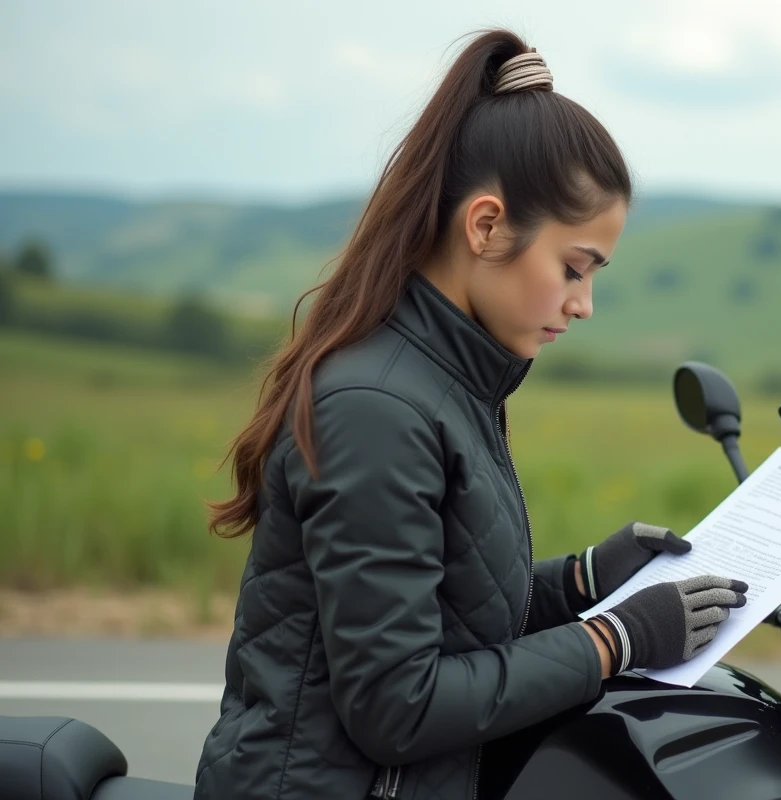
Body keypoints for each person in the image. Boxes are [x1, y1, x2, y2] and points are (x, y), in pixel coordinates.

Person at [193, 28, 748, 800]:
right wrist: (613, 640)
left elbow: (454, 615)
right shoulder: (378, 410)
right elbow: (399, 705)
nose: (584, 305)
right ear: (486, 227)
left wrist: (589, 579)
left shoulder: (450, 384)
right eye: (574, 268)